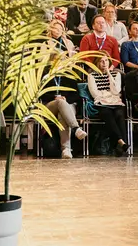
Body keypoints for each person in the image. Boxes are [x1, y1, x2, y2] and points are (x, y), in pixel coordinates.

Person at [44, 21, 88, 158]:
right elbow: (42, 94)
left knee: (63, 114)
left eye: (61, 58)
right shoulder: (46, 73)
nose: (59, 61)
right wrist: (55, 98)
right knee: (60, 103)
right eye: (56, 58)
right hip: (50, 105)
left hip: (68, 104)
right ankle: (76, 129)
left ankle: (66, 150)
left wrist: (65, 98)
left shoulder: (69, 73)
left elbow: (76, 95)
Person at [87, 54, 130, 156]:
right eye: (101, 61)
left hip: (115, 101)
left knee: (119, 114)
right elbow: (95, 94)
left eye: (106, 60)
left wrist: (109, 75)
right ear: (97, 63)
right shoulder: (91, 76)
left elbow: (116, 91)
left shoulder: (116, 74)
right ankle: (121, 142)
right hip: (101, 103)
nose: (104, 63)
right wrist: (107, 95)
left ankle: (120, 144)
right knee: (107, 114)